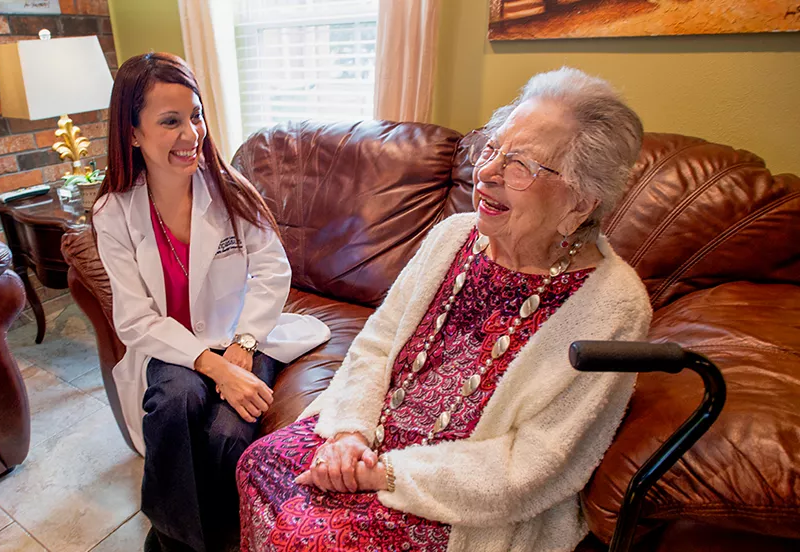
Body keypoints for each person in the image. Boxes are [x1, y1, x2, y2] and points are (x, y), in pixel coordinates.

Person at [236, 67, 652, 551]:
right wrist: (349, 434)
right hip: (369, 438)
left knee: (310, 539)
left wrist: (384, 474)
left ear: (580, 202)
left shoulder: (614, 305)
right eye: (493, 148)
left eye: (520, 165)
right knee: (259, 462)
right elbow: (378, 340)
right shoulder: (455, 235)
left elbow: (538, 465)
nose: (488, 172)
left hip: (457, 495)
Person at [92, 53, 329, 552]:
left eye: (196, 115)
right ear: (132, 133)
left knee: (227, 435)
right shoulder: (114, 211)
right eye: (171, 121)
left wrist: (241, 347)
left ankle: (203, 540)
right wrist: (213, 367)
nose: (191, 134)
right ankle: (179, 544)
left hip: (240, 336)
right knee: (175, 401)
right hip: (174, 347)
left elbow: (272, 270)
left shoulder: (229, 191)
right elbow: (134, 318)